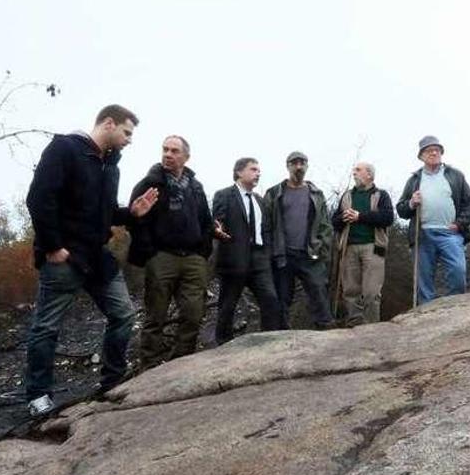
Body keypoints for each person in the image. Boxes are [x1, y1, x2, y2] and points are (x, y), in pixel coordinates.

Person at [24, 104, 156, 417]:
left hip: (98, 256)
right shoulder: (65, 149)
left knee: (124, 315)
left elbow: (106, 213)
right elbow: (39, 198)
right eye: (126, 132)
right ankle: (38, 396)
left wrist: (131, 214)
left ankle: (112, 382)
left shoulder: (111, 165)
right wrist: (53, 247)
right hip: (65, 257)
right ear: (108, 123)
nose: (129, 140)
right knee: (46, 327)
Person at [127, 135, 213, 368]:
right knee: (155, 316)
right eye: (165, 149)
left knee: (193, 314)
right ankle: (150, 366)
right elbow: (134, 219)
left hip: (193, 258)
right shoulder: (149, 183)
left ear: (186, 157)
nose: (168, 154)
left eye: (174, 151)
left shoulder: (196, 186)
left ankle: (180, 363)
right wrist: (150, 252)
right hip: (162, 257)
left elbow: (206, 220)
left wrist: (203, 250)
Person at [396, 135, 470, 305]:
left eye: (437, 150)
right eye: (429, 150)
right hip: (423, 235)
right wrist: (411, 203)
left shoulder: (455, 175)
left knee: (458, 272)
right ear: (421, 156)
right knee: (424, 282)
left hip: (450, 233)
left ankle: (453, 309)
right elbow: (401, 209)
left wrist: (460, 224)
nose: (433, 153)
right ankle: (426, 318)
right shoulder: (414, 180)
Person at [211, 158, 282, 344]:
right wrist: (217, 230)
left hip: (260, 258)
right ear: (239, 172)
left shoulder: (260, 200)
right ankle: (223, 345)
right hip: (234, 259)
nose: (258, 173)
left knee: (270, 300)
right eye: (253, 169)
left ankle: (269, 342)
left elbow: (266, 230)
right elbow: (217, 223)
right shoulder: (224, 195)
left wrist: (267, 254)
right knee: (228, 305)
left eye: (259, 170)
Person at [263, 151, 334, 329]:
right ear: (287, 166)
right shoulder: (273, 193)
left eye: (302, 163)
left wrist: (321, 247)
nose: (298, 167)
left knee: (319, 292)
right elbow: (266, 225)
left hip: (310, 254)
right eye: (294, 163)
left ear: (307, 166)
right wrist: (270, 251)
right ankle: (280, 337)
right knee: (282, 297)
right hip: (283, 254)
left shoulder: (316, 194)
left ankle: (327, 332)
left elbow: (325, 225)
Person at [331, 162, 395, 325]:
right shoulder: (347, 196)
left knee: (371, 292)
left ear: (369, 175)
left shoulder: (381, 195)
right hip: (348, 247)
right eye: (354, 170)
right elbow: (334, 222)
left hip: (373, 248)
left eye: (358, 170)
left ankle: (372, 328)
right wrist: (343, 218)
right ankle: (354, 325)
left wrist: (360, 217)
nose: (354, 173)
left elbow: (387, 218)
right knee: (350, 291)